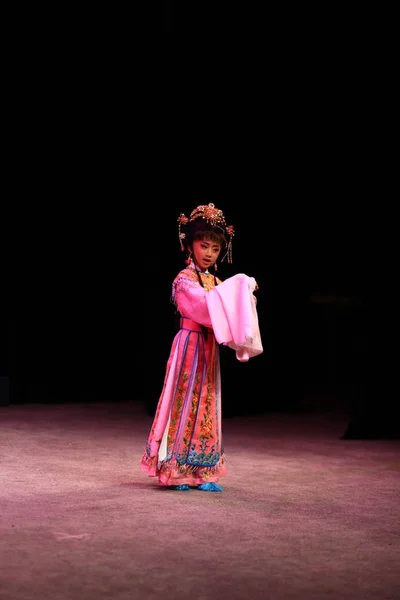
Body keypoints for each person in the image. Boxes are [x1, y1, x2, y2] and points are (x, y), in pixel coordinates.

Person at [140, 203, 262, 492]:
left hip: (208, 348)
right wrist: (236, 291)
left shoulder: (216, 282)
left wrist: (245, 294)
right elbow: (205, 306)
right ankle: (177, 469)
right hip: (189, 346)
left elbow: (232, 307)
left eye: (215, 249)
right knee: (183, 403)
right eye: (204, 245)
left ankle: (204, 470)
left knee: (207, 405)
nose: (209, 253)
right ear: (190, 245)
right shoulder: (183, 280)